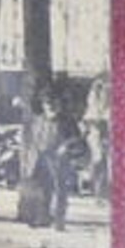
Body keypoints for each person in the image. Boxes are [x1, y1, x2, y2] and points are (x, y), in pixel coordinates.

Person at [23, 94, 85, 231]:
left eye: (53, 103)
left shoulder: (67, 121)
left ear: (58, 105)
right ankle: (42, 218)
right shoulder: (39, 120)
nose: (50, 106)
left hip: (59, 159)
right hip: (41, 158)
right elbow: (34, 138)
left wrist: (65, 146)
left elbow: (77, 138)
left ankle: (59, 221)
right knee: (43, 189)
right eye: (47, 104)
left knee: (60, 190)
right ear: (43, 106)